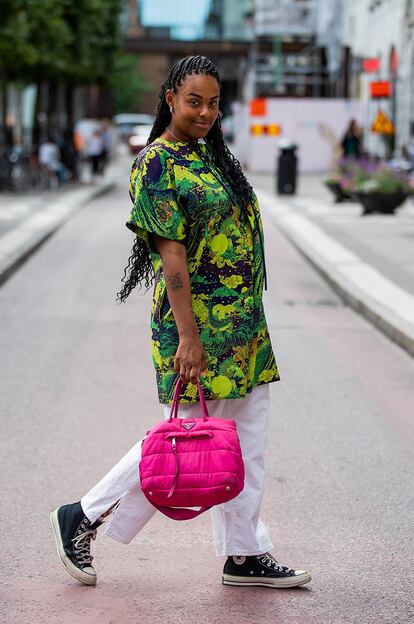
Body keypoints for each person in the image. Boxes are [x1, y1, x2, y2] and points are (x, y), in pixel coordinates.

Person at [50, 55, 311, 590]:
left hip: (242, 326)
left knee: (248, 436)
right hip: (195, 325)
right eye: (194, 101)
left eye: (214, 103)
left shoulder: (213, 158)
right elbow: (171, 260)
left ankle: (244, 553)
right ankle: (83, 513)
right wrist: (188, 338)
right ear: (169, 97)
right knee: (183, 438)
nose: (206, 112)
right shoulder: (157, 164)